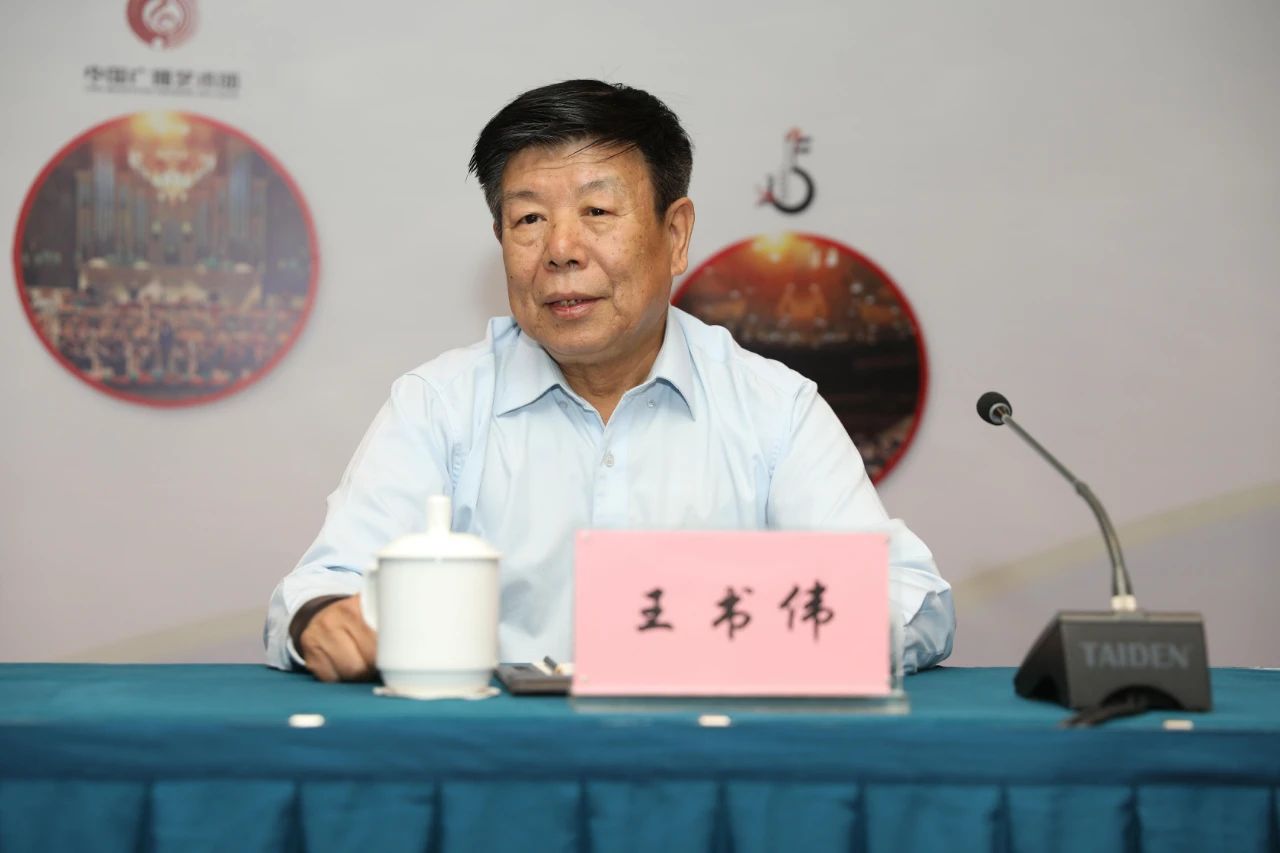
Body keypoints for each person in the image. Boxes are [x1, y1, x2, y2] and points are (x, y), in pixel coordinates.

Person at [264, 80, 954, 682]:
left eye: (596, 212)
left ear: (676, 235)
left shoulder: (772, 409)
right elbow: (320, 589)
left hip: (705, 755)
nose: (561, 250)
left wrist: (761, 644)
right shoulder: (440, 405)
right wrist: (323, 621)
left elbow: (911, 597)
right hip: (500, 760)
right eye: (529, 219)